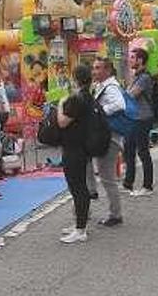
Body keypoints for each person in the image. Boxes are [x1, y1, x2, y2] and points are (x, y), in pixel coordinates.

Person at [56, 65, 97, 244]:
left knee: (78, 188)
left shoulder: (76, 99)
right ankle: (80, 224)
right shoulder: (89, 97)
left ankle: (80, 229)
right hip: (84, 147)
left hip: (74, 148)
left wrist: (60, 105)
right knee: (80, 187)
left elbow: (62, 122)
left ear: (75, 79)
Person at [86, 57, 125, 227]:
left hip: (110, 138)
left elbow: (120, 104)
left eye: (98, 68)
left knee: (107, 177)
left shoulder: (111, 87)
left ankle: (115, 214)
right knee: (103, 174)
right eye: (93, 68)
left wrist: (100, 112)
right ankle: (111, 210)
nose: (94, 71)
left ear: (107, 70)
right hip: (107, 136)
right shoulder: (102, 86)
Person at [124, 48, 155, 197]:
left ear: (140, 60)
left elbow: (131, 95)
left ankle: (147, 186)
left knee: (142, 151)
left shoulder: (144, 78)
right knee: (128, 149)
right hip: (133, 119)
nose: (130, 60)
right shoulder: (136, 76)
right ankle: (128, 183)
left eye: (132, 58)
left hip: (143, 118)